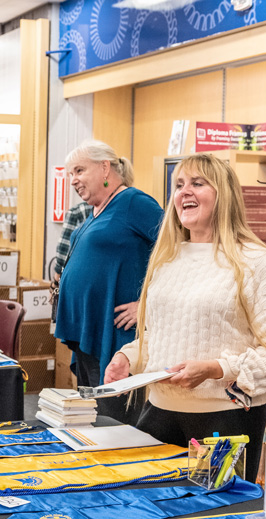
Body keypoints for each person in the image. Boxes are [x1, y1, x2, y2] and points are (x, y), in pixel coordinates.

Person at [104, 153, 266, 482]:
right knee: (150, 518)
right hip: (158, 413)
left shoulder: (254, 261)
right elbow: (163, 335)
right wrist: (129, 357)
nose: (185, 192)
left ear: (223, 195)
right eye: (179, 185)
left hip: (224, 424)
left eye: (198, 183)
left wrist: (217, 369)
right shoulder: (168, 258)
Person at [54, 139, 164, 423]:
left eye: (79, 171)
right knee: (93, 415)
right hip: (87, 331)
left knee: (113, 417)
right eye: (70, 174)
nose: (73, 180)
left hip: (114, 333)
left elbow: (177, 250)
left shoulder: (134, 203)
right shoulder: (95, 210)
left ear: (105, 168)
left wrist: (146, 303)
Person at [51, 201, 92, 282]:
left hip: (79, 277)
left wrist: (55, 282)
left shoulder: (77, 211)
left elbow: (63, 250)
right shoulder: (116, 209)